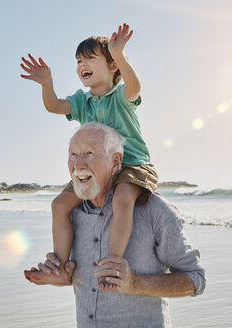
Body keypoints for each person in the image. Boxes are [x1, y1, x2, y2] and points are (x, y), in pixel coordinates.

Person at [24, 122, 206, 327]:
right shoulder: (69, 214)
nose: (79, 165)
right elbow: (82, 280)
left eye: (89, 153)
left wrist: (136, 283)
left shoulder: (154, 209)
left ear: (115, 162)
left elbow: (195, 280)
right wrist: (60, 275)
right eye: (73, 154)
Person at [20, 23, 157, 287]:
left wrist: (119, 54)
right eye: (79, 60)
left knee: (123, 197)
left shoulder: (120, 96)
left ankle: (113, 262)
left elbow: (135, 87)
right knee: (59, 205)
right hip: (95, 169)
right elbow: (54, 106)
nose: (82, 63)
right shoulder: (83, 102)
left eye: (89, 58)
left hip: (132, 164)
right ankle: (59, 267)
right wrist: (47, 84)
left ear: (112, 66)